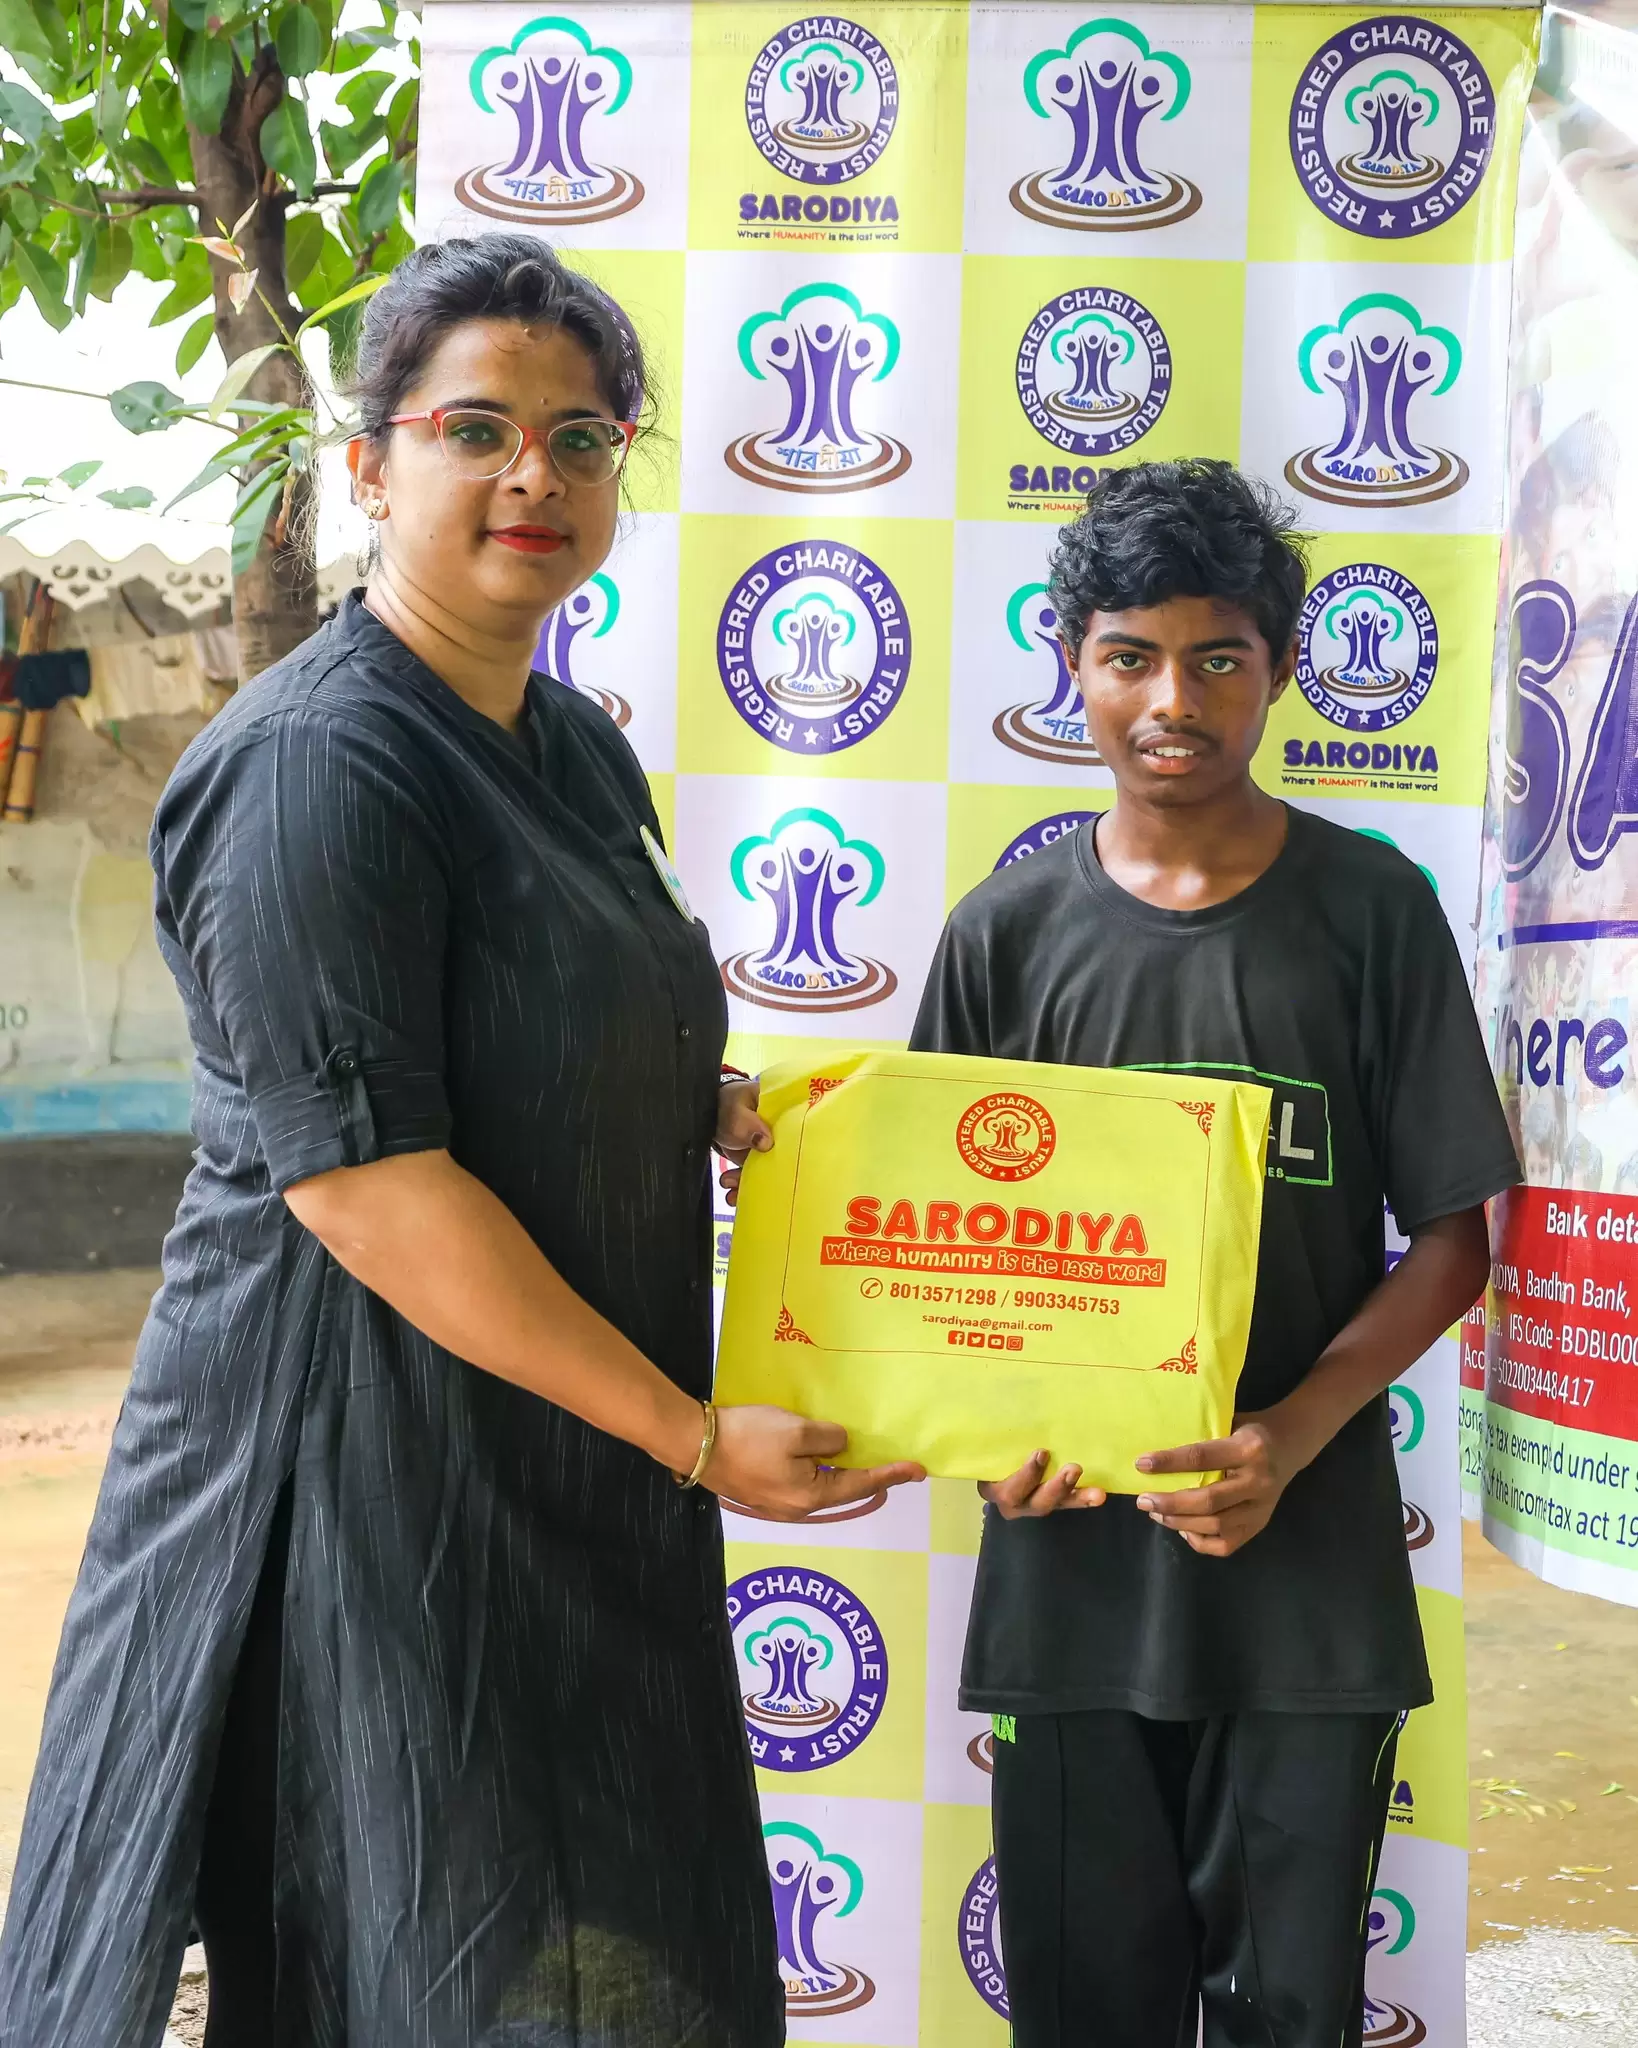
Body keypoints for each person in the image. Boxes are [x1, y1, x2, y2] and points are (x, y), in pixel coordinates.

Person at [0, 233, 921, 2048]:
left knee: (598, 1932)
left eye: (582, 439)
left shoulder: (570, 746)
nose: (533, 477)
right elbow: (363, 1181)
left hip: (566, 1443)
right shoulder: (317, 767)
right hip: (362, 1465)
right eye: (476, 429)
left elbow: (541, 1023)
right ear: (370, 466)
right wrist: (684, 1434)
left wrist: (707, 1104)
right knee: (414, 1947)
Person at [911, 460, 1520, 2048]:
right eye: (1129, 656)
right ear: (1070, 661)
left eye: (1215, 658)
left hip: (1302, 1600)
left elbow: (1452, 1239)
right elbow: (928, 1272)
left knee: (1287, 2020)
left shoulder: (1371, 913)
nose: (1170, 701)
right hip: (1069, 1600)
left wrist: (1290, 1435)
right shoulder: (1002, 937)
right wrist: (989, 1438)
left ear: (1282, 668)